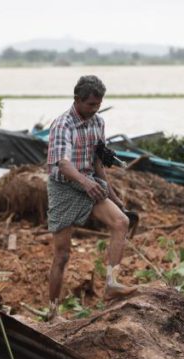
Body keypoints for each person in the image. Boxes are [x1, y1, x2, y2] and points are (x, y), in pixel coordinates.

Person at [45, 75, 136, 320]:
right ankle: (53, 312)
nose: (95, 109)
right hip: (64, 187)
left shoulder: (98, 122)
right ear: (77, 99)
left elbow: (97, 161)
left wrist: (113, 195)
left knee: (121, 222)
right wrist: (85, 182)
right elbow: (62, 163)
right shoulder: (62, 125)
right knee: (62, 255)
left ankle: (112, 284)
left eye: (98, 104)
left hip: (90, 182)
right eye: (90, 105)